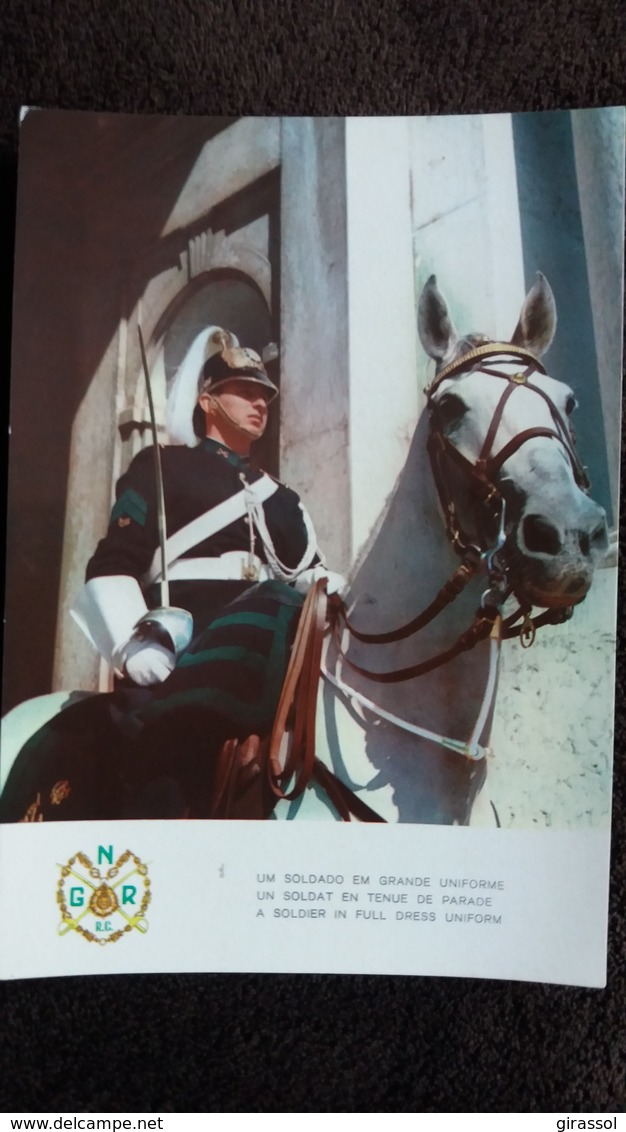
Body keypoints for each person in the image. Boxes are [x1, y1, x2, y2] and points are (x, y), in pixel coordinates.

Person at [0, 328, 344, 822]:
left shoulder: (283, 499)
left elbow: (310, 577)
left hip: (271, 645)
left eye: (264, 394)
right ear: (207, 400)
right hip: (190, 639)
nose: (259, 403)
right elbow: (114, 561)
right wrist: (135, 643)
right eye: (244, 391)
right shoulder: (163, 467)